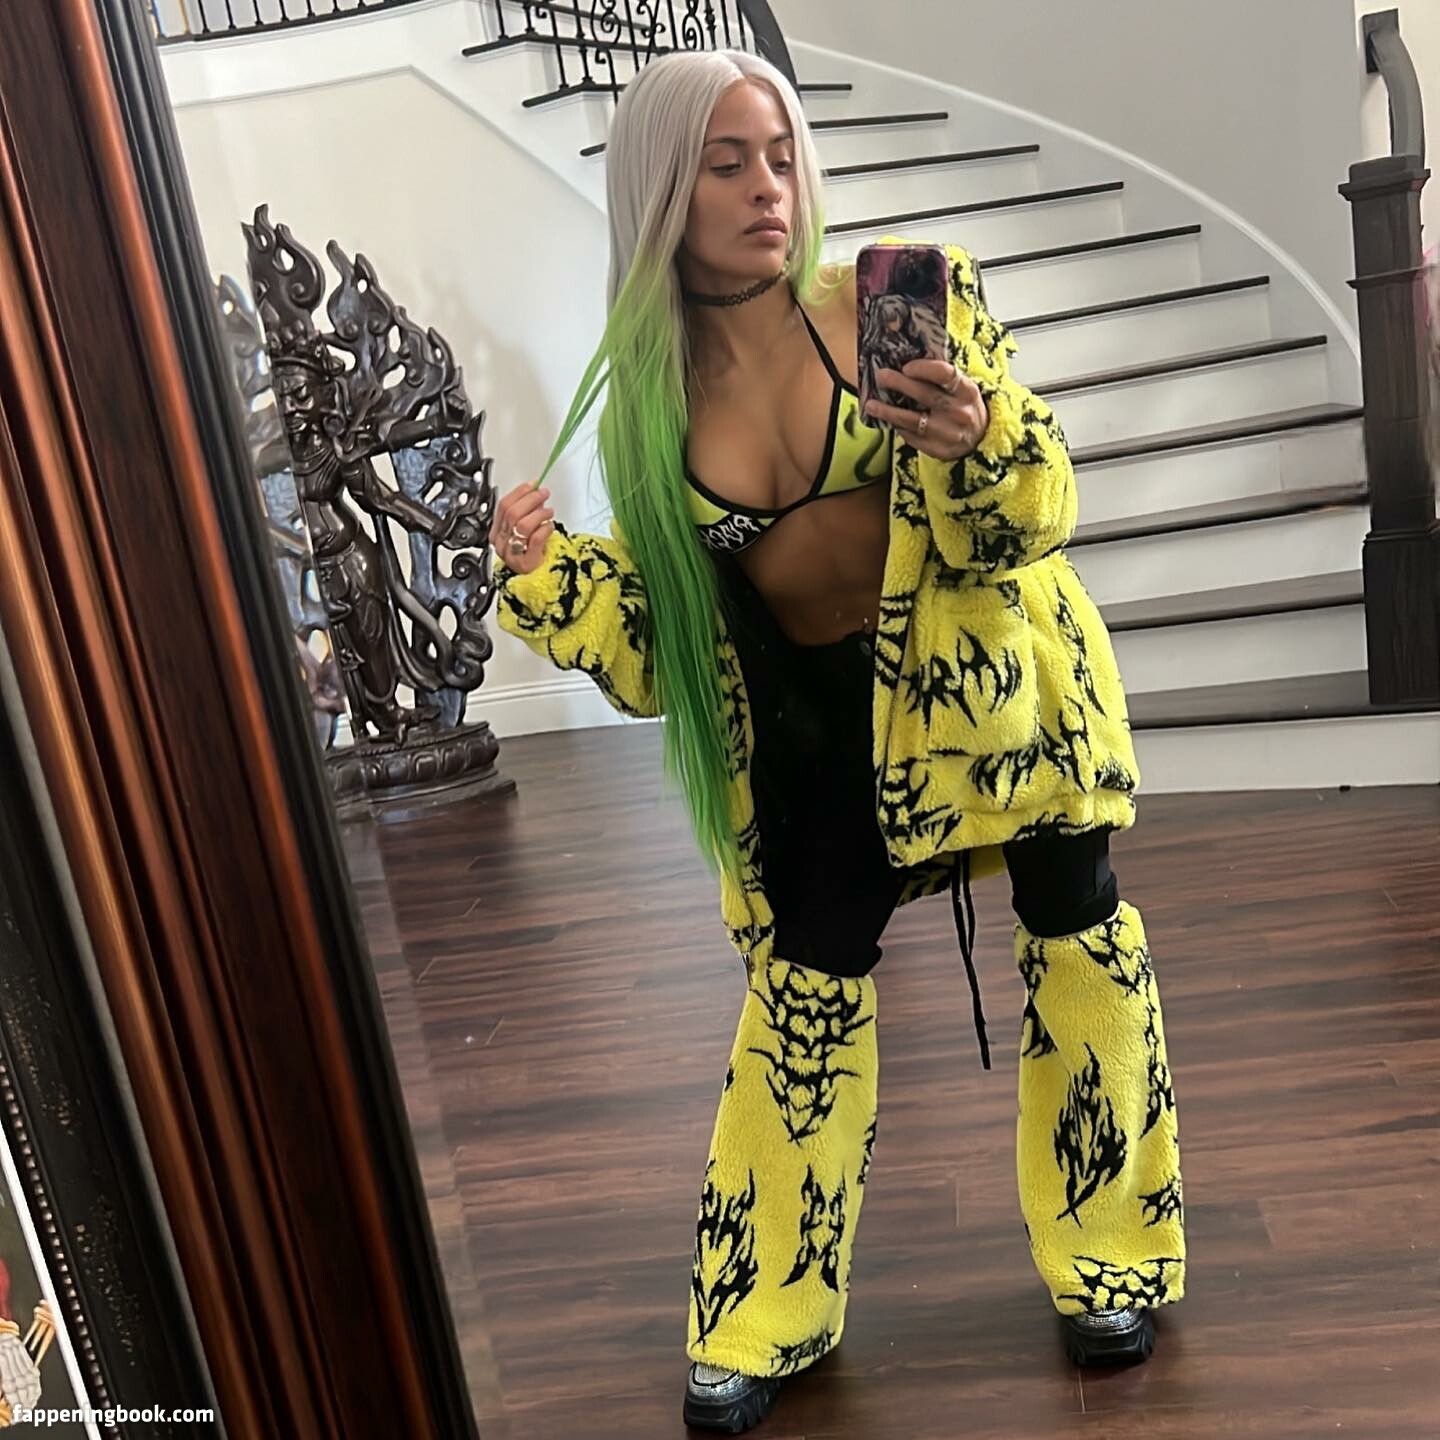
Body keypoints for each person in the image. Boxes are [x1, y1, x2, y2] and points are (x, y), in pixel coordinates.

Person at [488, 48, 1186, 1436]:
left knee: (1081, 944)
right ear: (661, 191)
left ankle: (1113, 1258)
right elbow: (668, 654)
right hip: (818, 743)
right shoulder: (648, 408)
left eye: (781, 154)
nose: (769, 186)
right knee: (801, 1000)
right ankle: (762, 1312)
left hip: (1001, 697)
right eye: (727, 162)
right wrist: (549, 573)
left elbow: (1034, 515)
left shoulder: (897, 300)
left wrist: (977, 439)